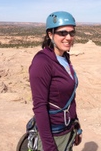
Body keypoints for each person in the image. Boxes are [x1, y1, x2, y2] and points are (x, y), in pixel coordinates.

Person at [29, 11, 82, 151]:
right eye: (62, 33)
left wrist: (76, 126)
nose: (68, 37)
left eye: (71, 32)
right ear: (50, 34)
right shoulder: (42, 62)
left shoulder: (65, 58)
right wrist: (49, 147)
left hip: (67, 129)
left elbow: (70, 97)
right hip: (53, 135)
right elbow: (39, 106)